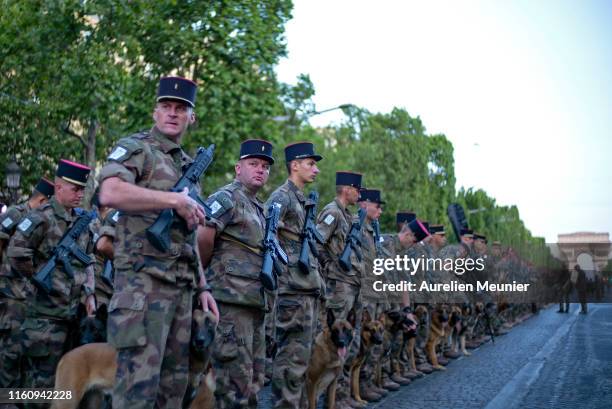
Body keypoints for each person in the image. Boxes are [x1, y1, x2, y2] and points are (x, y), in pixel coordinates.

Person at [98, 76, 218, 409]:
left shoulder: (186, 165)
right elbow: (110, 192)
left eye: (181, 109)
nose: (172, 113)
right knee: (136, 394)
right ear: (155, 112)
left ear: (191, 117)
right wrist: (172, 201)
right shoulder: (138, 148)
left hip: (181, 292)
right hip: (142, 289)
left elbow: (189, 235)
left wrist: (204, 288)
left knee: (173, 393)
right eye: (166, 106)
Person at [198, 139, 275, 408]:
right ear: (238, 167)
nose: (260, 170)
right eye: (253, 164)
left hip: (254, 305)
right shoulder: (226, 198)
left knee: (254, 383)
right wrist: (207, 280)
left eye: (265, 166)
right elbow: (203, 237)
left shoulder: (260, 208)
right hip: (230, 305)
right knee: (231, 386)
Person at [7, 161, 95, 392]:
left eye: (82, 190)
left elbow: (88, 261)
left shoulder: (81, 222)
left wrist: (89, 295)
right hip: (44, 319)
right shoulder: (41, 218)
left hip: (72, 318)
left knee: (67, 388)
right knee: (39, 389)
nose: (80, 194)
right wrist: (39, 279)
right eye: (75, 189)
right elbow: (16, 252)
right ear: (58, 187)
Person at [264, 142, 325, 408]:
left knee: (301, 363)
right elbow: (267, 237)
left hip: (305, 291)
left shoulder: (300, 199)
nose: (316, 169)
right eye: (311, 163)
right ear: (295, 165)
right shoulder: (282, 197)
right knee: (290, 363)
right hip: (291, 291)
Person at [316, 171, 365, 409]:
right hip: (338, 286)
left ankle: (340, 396)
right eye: (357, 189)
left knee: (346, 346)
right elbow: (317, 244)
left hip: (351, 284)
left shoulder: (348, 216)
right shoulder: (332, 212)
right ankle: (329, 399)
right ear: (347, 189)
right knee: (334, 343)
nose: (359, 193)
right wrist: (330, 266)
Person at [0, 177, 54, 388]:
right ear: (42, 200)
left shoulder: (39, 219)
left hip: (26, 292)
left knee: (23, 348)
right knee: (10, 348)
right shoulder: (16, 213)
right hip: (9, 291)